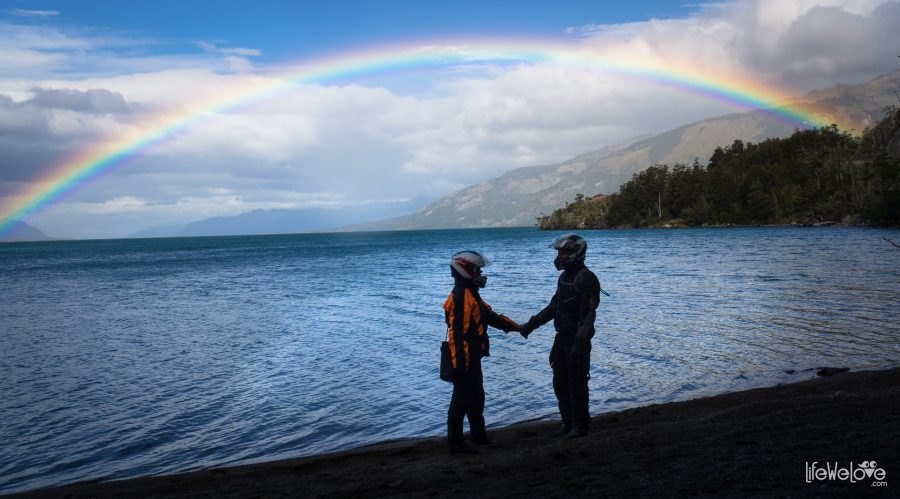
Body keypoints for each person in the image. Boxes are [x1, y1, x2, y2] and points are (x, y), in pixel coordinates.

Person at [521, 234, 601, 439]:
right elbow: (554, 306)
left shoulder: (586, 278)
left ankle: (580, 426)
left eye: (564, 252)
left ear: (577, 253)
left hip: (577, 339)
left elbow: (589, 314)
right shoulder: (564, 277)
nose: (560, 257)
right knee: (560, 383)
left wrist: (580, 342)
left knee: (577, 384)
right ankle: (567, 423)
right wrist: (532, 324)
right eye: (559, 252)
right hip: (562, 338)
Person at [444, 250, 523, 454]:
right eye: (477, 269)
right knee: (460, 400)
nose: (480, 273)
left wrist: (519, 328)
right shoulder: (462, 296)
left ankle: (479, 437)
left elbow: (490, 317)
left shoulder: (470, 294)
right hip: (465, 358)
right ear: (466, 270)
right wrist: (460, 364)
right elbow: (458, 334)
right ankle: (456, 444)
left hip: (472, 356)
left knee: (476, 398)